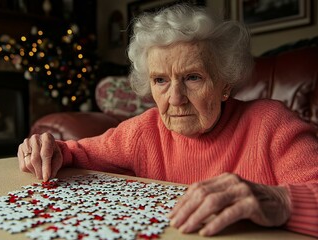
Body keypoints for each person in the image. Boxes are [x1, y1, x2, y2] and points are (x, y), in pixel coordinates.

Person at [18, 4, 318, 238]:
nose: (175, 98)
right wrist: (48, 149)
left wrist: (281, 201)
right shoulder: (143, 131)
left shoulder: (273, 125)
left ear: (225, 84)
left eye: (193, 77)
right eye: (160, 80)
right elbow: (78, 152)